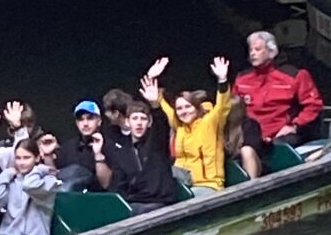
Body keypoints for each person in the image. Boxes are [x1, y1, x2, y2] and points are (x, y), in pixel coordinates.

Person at [148, 55, 231, 194]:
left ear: (197, 108)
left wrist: (222, 80)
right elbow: (162, 106)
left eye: (188, 107)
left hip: (208, 185)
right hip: (182, 183)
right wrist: (151, 78)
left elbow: (223, 105)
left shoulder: (210, 122)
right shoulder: (179, 126)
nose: (184, 111)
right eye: (179, 108)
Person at [99, 73, 177, 214]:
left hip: (160, 202)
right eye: (135, 119)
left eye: (143, 119)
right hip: (134, 203)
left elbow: (161, 124)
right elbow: (119, 183)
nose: (139, 123)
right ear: (128, 122)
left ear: (149, 122)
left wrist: (155, 104)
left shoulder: (156, 143)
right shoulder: (122, 150)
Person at [233, 31, 324, 150]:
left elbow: (313, 105)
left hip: (281, 134)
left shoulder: (294, 76)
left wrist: (295, 125)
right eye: (251, 50)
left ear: (271, 51)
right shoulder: (242, 78)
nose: (252, 54)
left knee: (281, 145)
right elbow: (232, 107)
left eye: (257, 49)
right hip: (250, 134)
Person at [0, 138, 60, 235]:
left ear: (37, 158)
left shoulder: (48, 181)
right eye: (18, 158)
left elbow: (29, 185)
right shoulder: (13, 180)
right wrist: (7, 173)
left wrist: (39, 169)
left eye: (26, 158)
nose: (21, 162)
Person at [53, 100, 113, 192]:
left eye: (90, 118)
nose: (85, 124)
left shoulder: (110, 146)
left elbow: (106, 184)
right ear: (77, 123)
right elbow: (56, 179)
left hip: (98, 198)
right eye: (81, 119)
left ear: (99, 121)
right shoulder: (68, 147)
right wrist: (47, 156)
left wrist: (98, 154)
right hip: (72, 198)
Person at [223, 96, 263, 179]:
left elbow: (254, 147)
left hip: (252, 163)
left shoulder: (250, 124)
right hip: (229, 166)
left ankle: (252, 183)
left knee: (246, 150)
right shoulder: (219, 126)